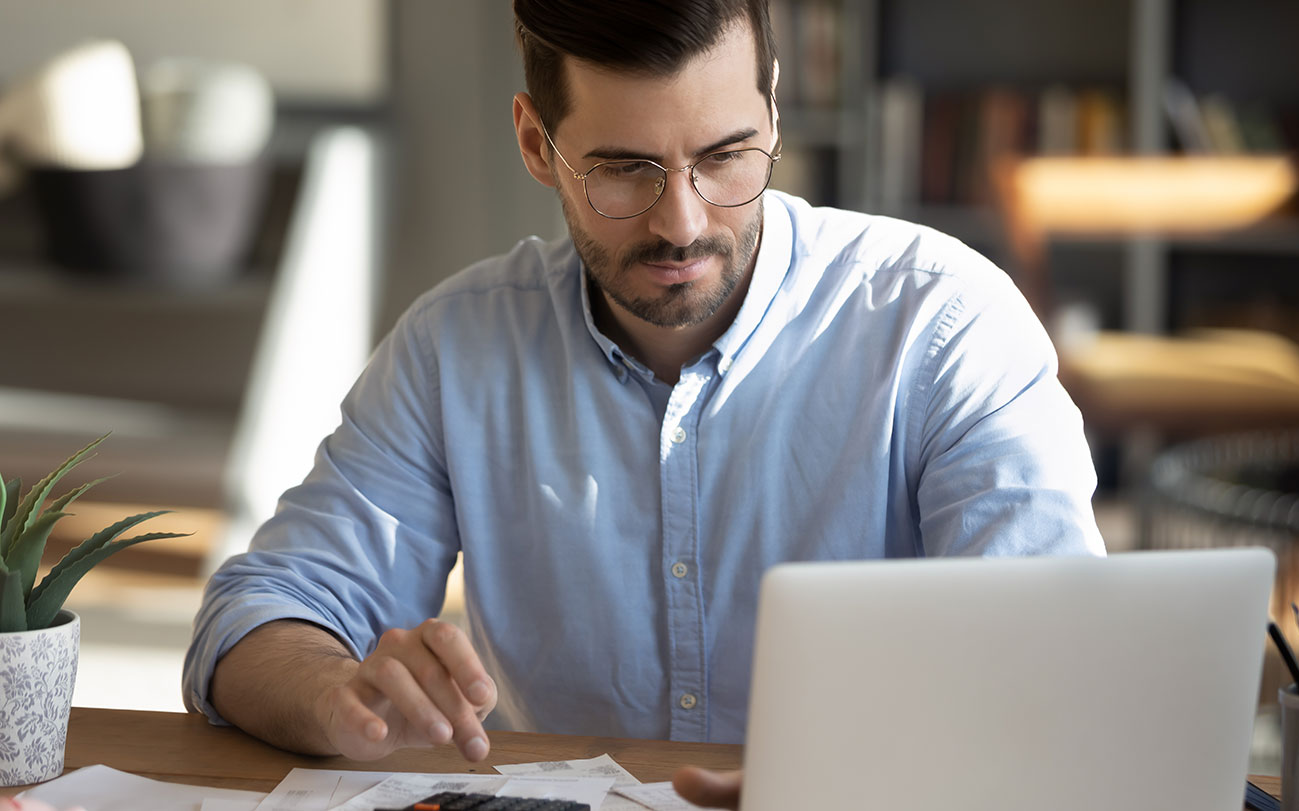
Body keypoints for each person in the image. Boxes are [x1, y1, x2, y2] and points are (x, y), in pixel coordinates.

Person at [183, 0, 1104, 803]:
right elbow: (255, 614)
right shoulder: (455, 348)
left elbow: (1059, 658)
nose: (684, 221)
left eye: (727, 156)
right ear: (537, 145)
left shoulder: (943, 324)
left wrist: (860, 783)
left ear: (773, 109)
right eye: (625, 169)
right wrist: (336, 694)